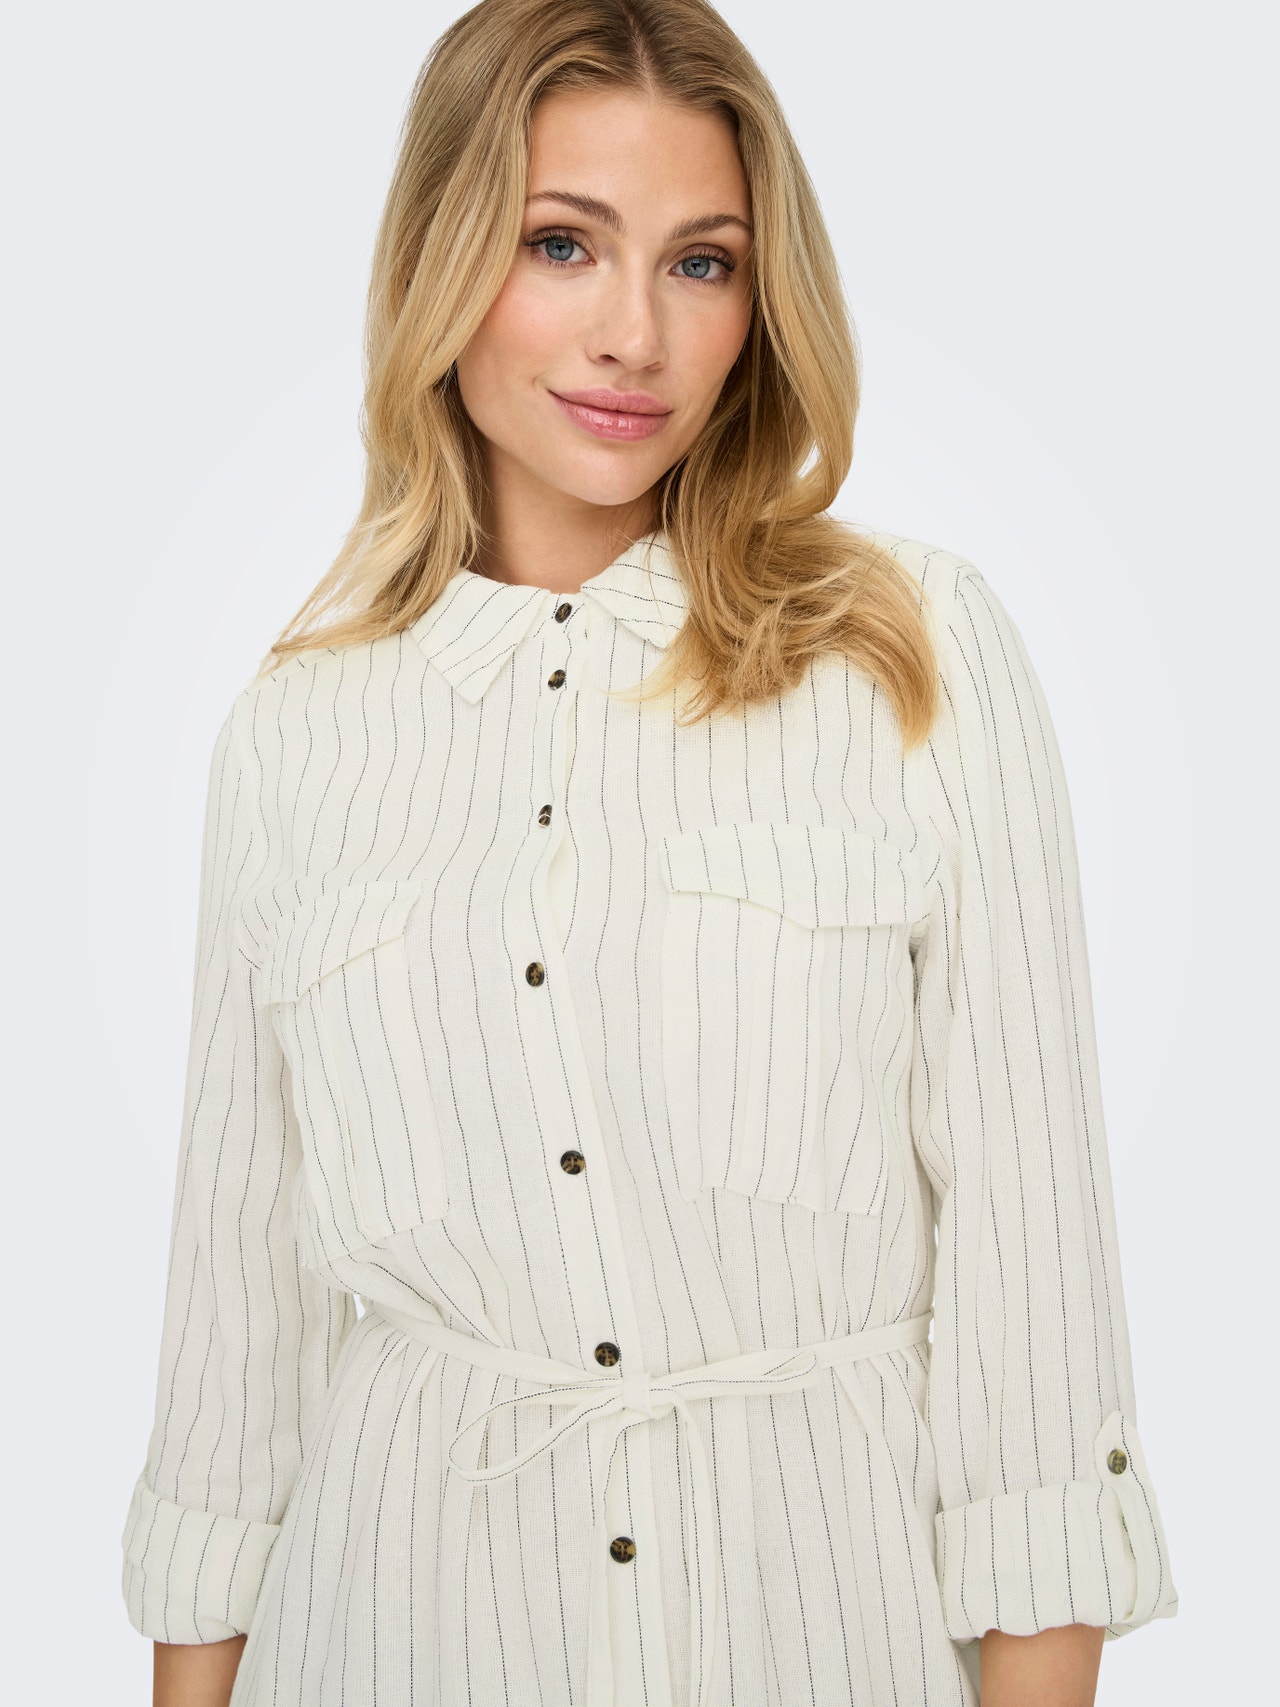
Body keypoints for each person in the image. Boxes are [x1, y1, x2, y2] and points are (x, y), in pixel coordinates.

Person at [119, 2, 1178, 1703]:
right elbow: (231, 1342)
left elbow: (1035, 1303)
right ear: (441, 260)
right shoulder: (296, 731)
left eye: (702, 264)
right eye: (562, 244)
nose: (635, 335)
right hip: (389, 1628)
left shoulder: (909, 654)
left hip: (819, 1631)